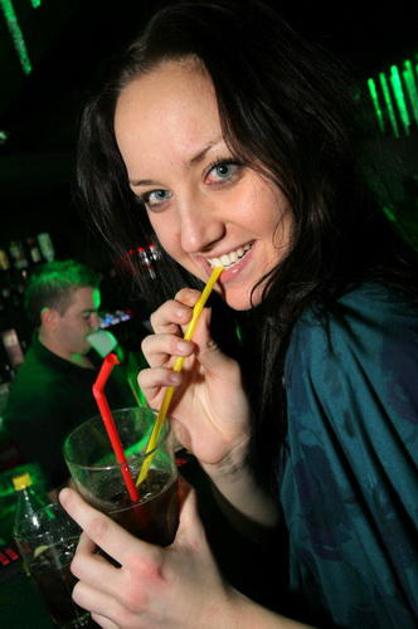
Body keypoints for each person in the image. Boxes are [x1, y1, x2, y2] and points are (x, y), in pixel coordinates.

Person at [59, 1, 418, 626]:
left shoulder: (350, 336)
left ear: (300, 138)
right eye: (157, 195)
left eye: (221, 169)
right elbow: (327, 562)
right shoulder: (293, 320)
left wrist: (210, 617)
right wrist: (229, 458)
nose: (192, 235)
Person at [4, 260, 134, 489]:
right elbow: (61, 488)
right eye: (87, 315)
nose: (97, 323)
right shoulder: (34, 397)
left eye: (96, 312)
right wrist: (139, 453)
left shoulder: (97, 345)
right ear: (50, 319)